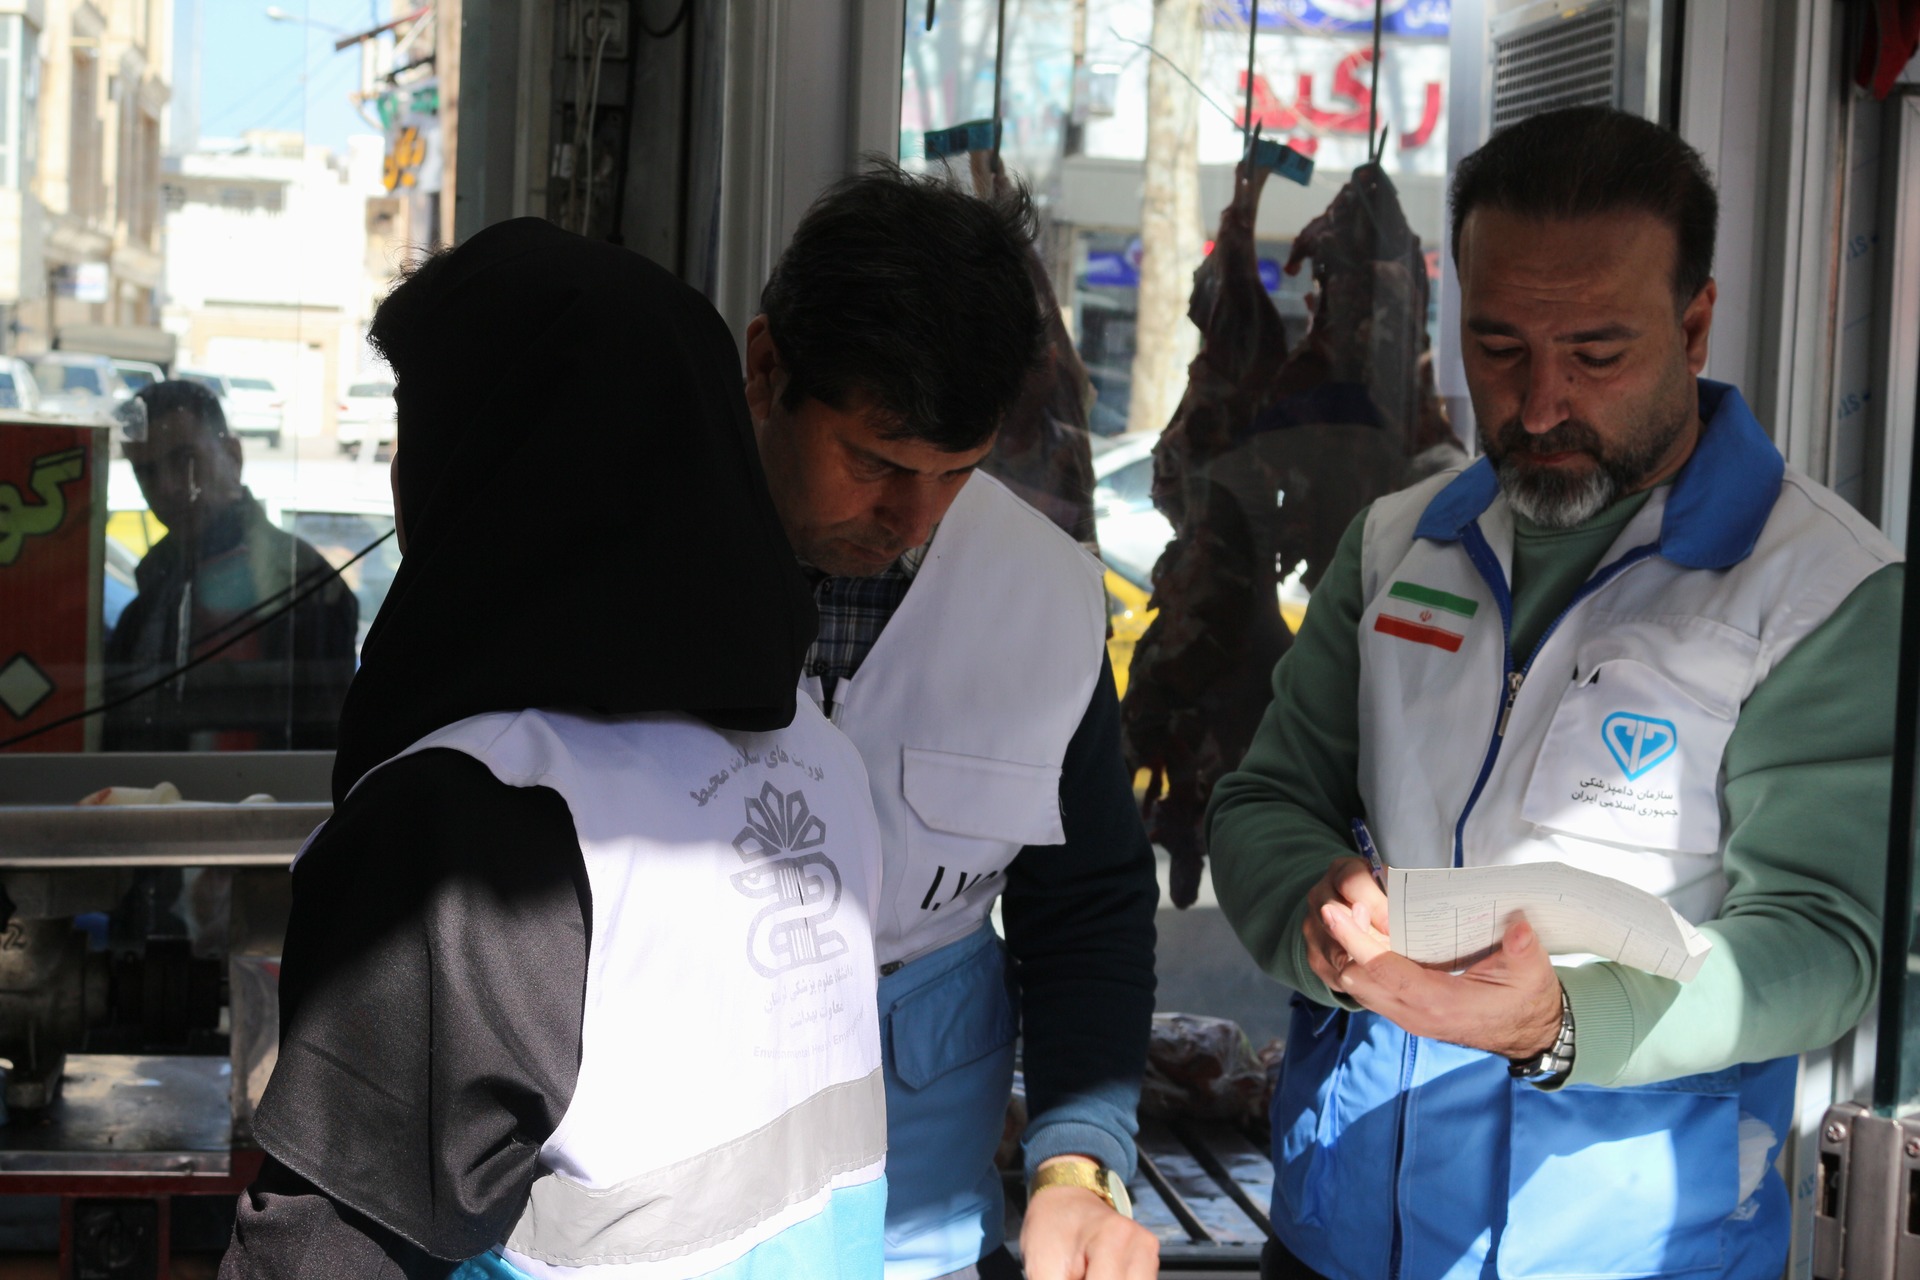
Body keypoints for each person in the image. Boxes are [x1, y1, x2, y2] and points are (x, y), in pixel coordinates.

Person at [1207, 106, 1904, 1280]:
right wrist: (1315, 907)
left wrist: (1563, 1023)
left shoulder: (1820, 592)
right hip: (1336, 1230)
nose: (1537, 406)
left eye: (1595, 355)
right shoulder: (1397, 545)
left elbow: (1823, 944)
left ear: (1694, 325)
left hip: (1627, 1251)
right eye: (1498, 348)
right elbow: (1264, 801)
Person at [220, 218, 890, 1279]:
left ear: (491, 458)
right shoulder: (818, 760)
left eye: (416, 428)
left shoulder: (481, 822)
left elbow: (329, 1249)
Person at [745, 164, 1161, 1280]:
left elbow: (1086, 906)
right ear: (766, 369)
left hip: (916, 1225)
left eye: (957, 471)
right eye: (875, 462)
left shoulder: (1046, 597)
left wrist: (1077, 1163)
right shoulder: (627, 563)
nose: (912, 516)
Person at [105, 379, 357, 750]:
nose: (168, 487)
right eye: (147, 472)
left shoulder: (304, 584)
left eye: (185, 460)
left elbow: (322, 750)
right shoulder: (150, 601)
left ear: (233, 456)